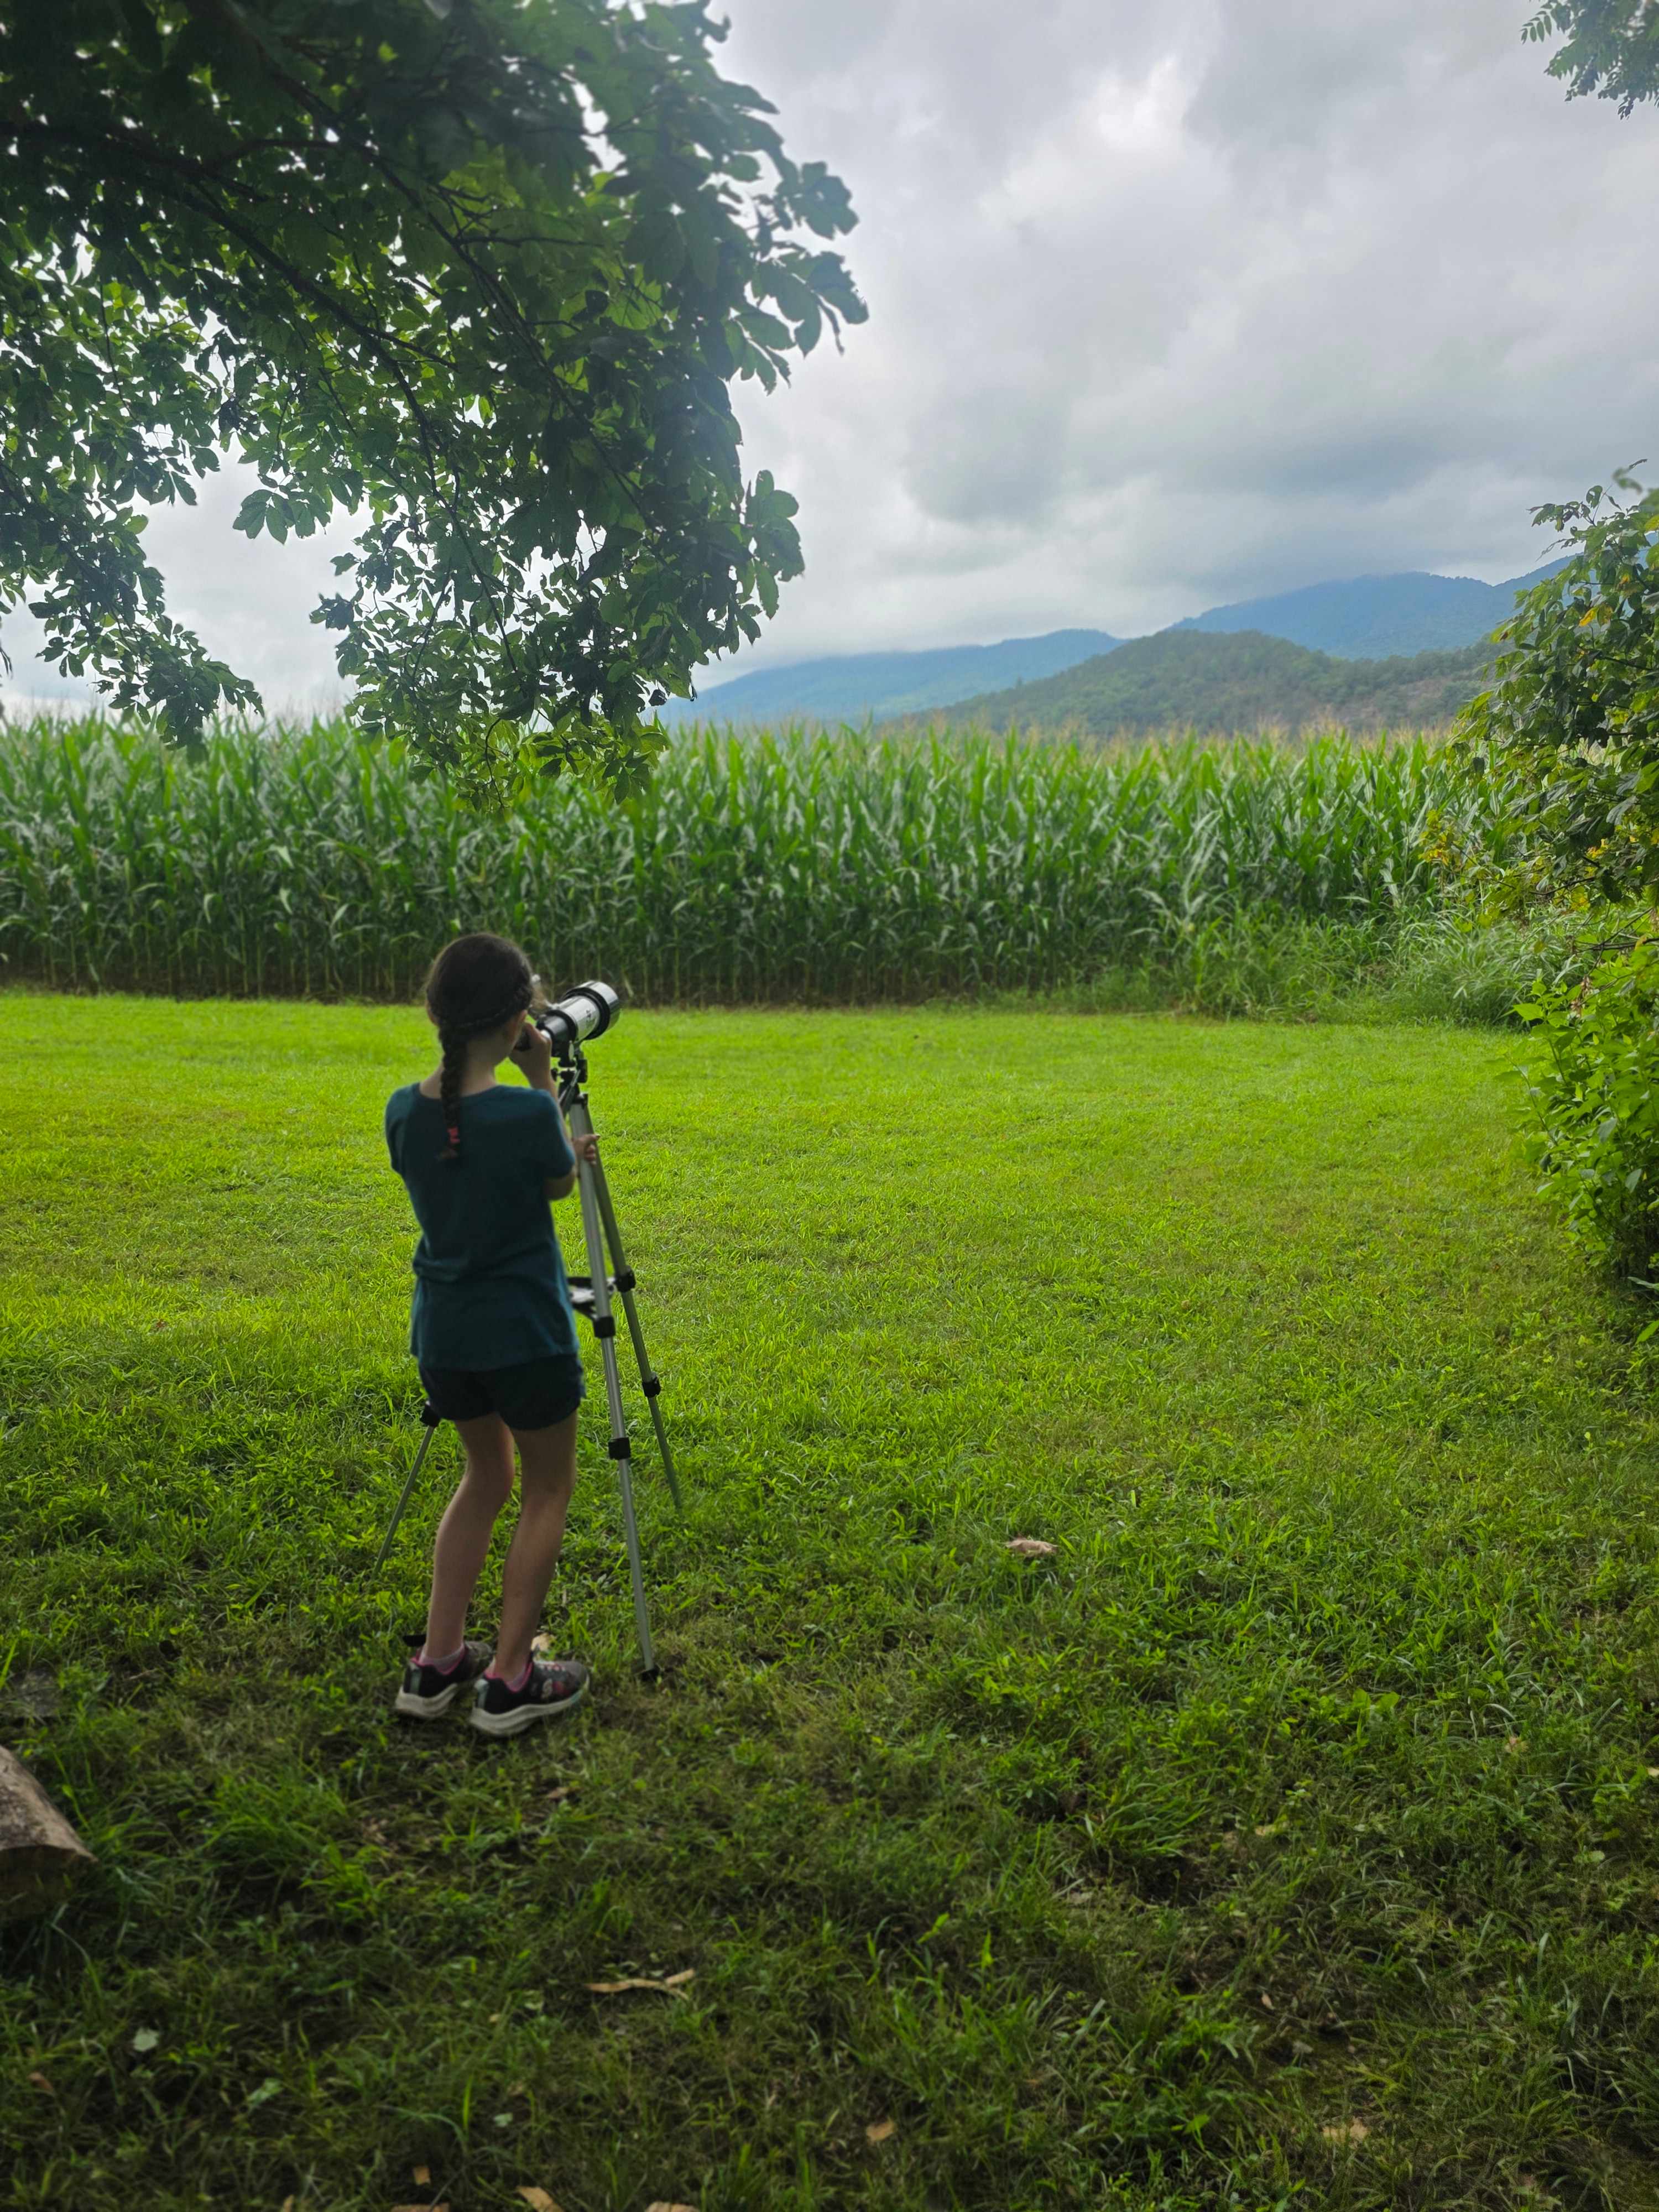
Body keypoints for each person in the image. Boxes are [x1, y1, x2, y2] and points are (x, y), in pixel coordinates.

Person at [384, 932, 597, 1738]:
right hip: (528, 1338)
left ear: (438, 1012)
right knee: (546, 1488)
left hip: (445, 1338)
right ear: (517, 1020)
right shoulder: (520, 1108)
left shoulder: (404, 1110)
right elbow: (552, 1182)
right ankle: (510, 1680)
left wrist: (535, 1114)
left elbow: (466, 1161)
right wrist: (545, 1086)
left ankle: (437, 1663)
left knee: (483, 1479)